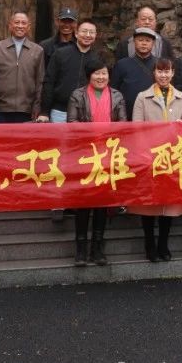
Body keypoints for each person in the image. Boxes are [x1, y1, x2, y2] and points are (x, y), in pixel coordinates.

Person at [130, 58, 182, 262]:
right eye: (160, 71)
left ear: (173, 73)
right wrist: (143, 155)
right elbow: (136, 128)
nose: (164, 75)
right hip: (150, 156)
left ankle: (163, 243)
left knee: (169, 202)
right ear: (154, 73)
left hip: (172, 156)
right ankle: (149, 244)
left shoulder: (181, 97)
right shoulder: (143, 97)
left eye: (167, 71)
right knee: (149, 203)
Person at [66, 58, 126, 265]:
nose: (101, 77)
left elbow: (123, 125)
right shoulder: (78, 94)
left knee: (102, 202)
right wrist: (94, 134)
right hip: (84, 154)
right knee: (84, 202)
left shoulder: (117, 95)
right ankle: (80, 249)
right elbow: (72, 123)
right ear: (89, 75)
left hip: (108, 154)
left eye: (104, 74)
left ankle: (97, 248)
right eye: (96, 73)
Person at [38, 20, 102, 123]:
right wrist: (44, 112)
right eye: (84, 31)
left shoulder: (97, 58)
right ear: (76, 33)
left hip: (86, 112)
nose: (87, 35)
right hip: (60, 112)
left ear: (96, 35)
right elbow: (49, 82)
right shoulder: (60, 54)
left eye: (91, 32)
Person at [0, 11, 44, 123]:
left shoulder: (37, 50)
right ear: (10, 25)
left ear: (29, 27)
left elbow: (40, 81)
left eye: (23, 23)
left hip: (27, 110)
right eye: (17, 22)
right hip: (0, 109)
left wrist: (37, 105)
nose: (20, 26)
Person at [112, 26, 159, 115]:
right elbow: (114, 91)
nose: (144, 43)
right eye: (140, 40)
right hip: (127, 113)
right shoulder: (122, 64)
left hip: (154, 114)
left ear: (153, 43)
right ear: (134, 42)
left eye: (147, 41)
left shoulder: (159, 64)